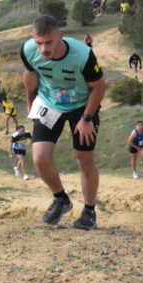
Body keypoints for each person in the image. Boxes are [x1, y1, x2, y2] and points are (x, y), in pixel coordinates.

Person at [21, 14, 107, 230]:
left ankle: (89, 212)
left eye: (49, 42)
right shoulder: (28, 50)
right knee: (39, 157)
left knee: (84, 159)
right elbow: (30, 74)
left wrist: (87, 118)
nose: (43, 49)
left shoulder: (82, 55)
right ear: (33, 38)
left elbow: (99, 87)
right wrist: (30, 101)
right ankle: (61, 199)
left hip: (82, 106)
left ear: (60, 36)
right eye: (39, 43)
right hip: (49, 104)